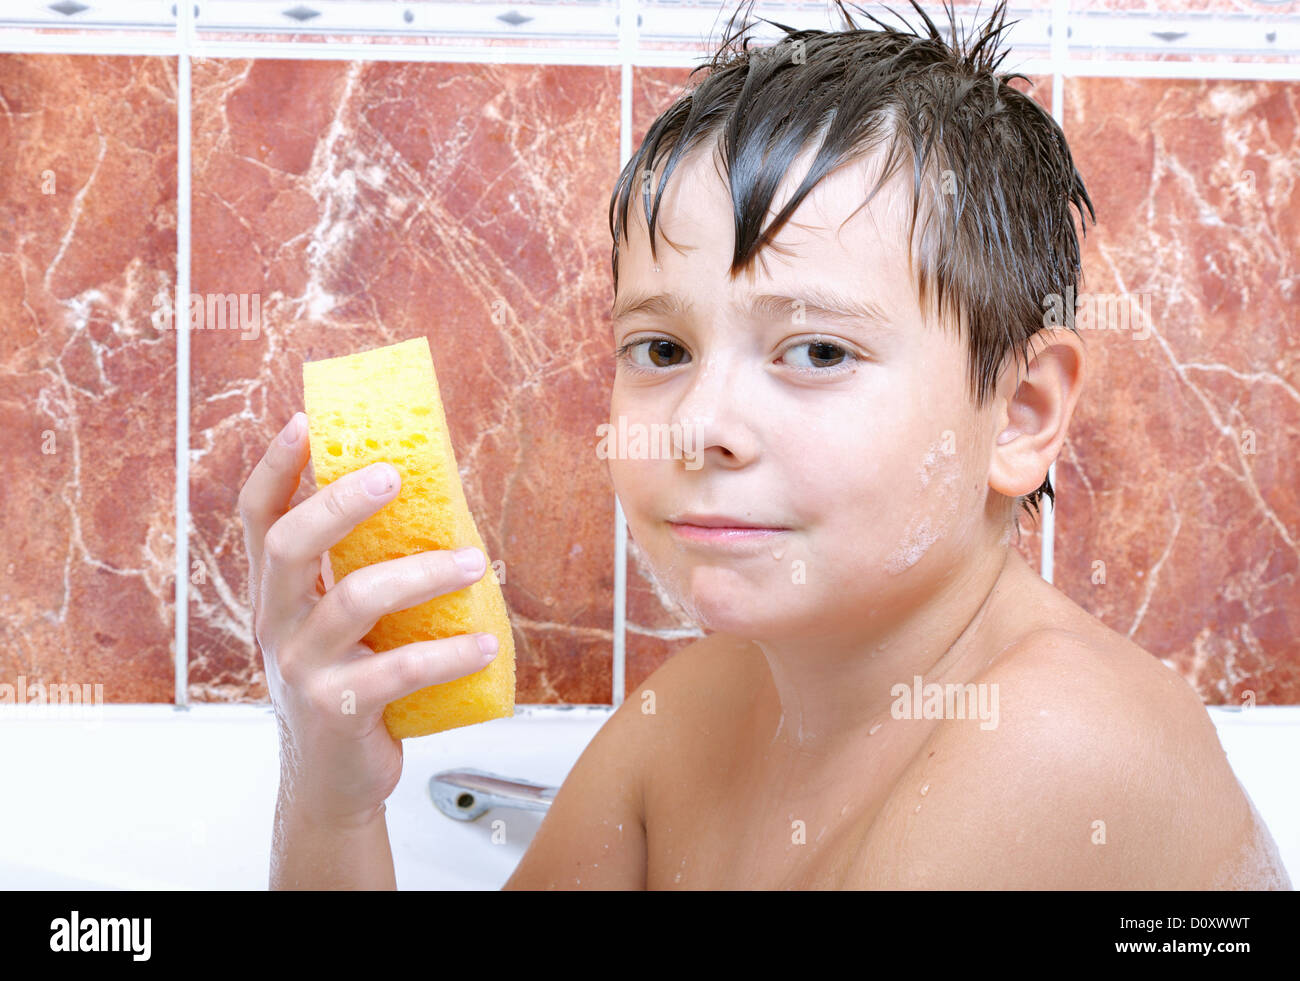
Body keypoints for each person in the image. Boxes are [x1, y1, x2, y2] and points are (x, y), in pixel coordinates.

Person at [241, 0, 1292, 889]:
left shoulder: (1055, 745)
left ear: (1017, 416)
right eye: (659, 347)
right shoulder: (698, 714)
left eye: (818, 351)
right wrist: (331, 793)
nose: (700, 426)